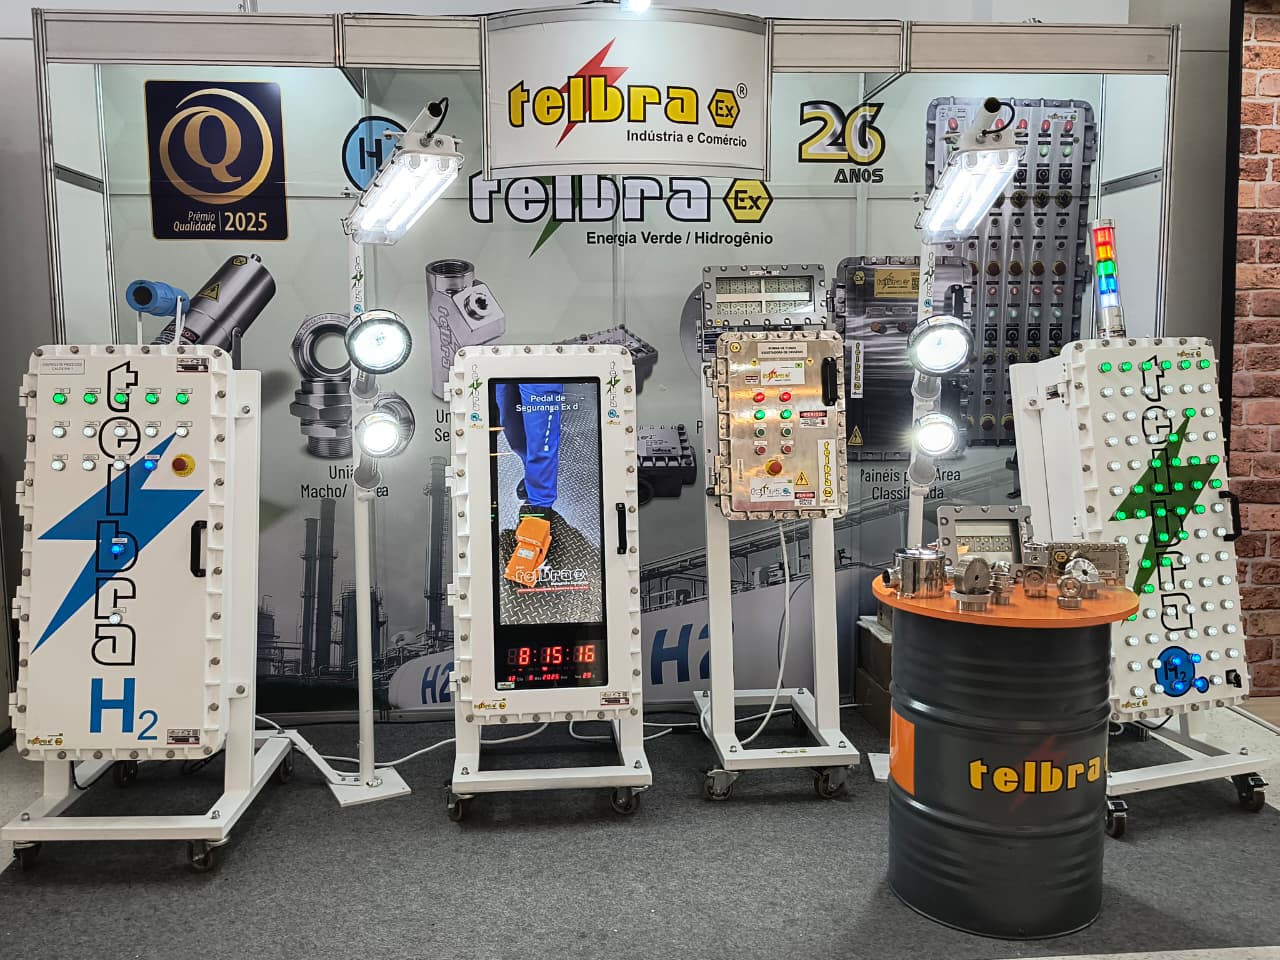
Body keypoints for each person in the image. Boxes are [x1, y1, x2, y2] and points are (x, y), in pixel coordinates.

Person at [494, 382, 563, 524]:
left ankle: (540, 504)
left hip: (541, 370)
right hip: (501, 367)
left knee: (541, 434)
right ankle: (532, 476)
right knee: (511, 424)